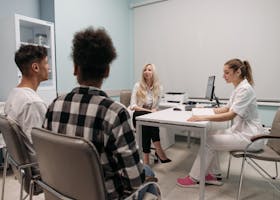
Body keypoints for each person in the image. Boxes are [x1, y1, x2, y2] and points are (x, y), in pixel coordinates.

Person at [43, 27, 158, 200]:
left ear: (75, 68)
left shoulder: (54, 106)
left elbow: (47, 158)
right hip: (102, 195)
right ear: (107, 71)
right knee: (148, 174)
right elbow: (134, 180)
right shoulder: (115, 113)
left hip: (61, 192)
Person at [177, 58, 265, 187]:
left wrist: (203, 118)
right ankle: (214, 175)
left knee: (208, 142)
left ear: (238, 72)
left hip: (251, 137)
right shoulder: (238, 88)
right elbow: (225, 108)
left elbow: (230, 115)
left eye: (227, 72)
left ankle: (194, 178)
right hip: (242, 132)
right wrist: (205, 111)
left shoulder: (245, 90)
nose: (223, 76)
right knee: (210, 135)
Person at [4, 44, 48, 143]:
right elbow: (41, 147)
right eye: (46, 63)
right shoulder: (33, 103)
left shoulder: (14, 93)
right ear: (35, 67)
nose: (48, 68)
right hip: (37, 158)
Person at [130, 63, 171, 165]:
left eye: (149, 70)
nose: (146, 72)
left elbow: (156, 107)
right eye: (145, 70)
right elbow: (133, 105)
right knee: (146, 118)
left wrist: (151, 112)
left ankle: (146, 159)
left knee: (148, 122)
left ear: (154, 73)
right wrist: (149, 112)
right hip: (137, 115)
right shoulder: (137, 86)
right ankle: (159, 150)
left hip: (148, 118)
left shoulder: (159, 88)